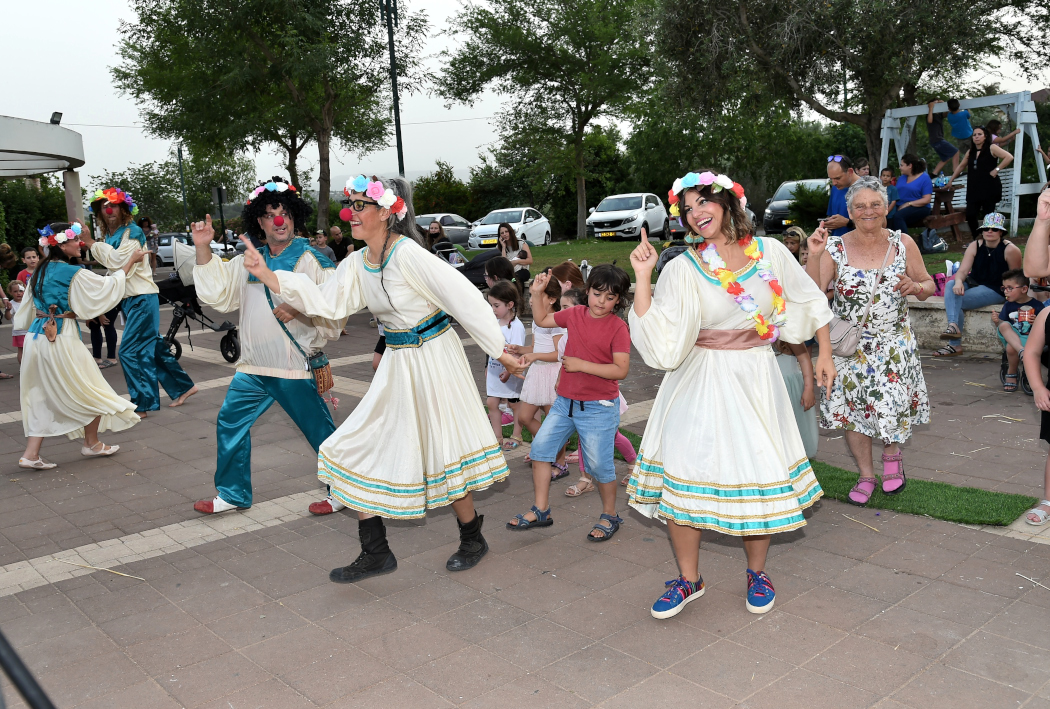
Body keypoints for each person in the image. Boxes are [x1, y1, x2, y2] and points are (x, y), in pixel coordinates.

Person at [242, 173, 526, 581]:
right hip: (398, 361)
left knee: (442, 451)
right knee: (348, 448)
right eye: (350, 205)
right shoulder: (358, 262)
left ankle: (472, 538)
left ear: (387, 213)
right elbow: (328, 301)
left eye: (360, 206)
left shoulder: (408, 254)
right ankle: (376, 552)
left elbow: (462, 298)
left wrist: (499, 351)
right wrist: (269, 276)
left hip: (434, 359)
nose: (350, 214)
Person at [627, 170, 834, 619]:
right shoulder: (683, 267)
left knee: (755, 474)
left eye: (703, 202)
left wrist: (825, 356)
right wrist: (643, 275)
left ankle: (756, 572)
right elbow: (658, 337)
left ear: (727, 203)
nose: (696, 213)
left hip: (756, 378)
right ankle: (689, 578)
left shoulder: (772, 253)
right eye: (687, 209)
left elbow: (806, 298)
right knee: (684, 470)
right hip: (698, 380)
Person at [190, 177, 341, 516]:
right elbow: (218, 294)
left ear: (294, 217)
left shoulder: (313, 259)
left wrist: (301, 307)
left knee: (320, 433)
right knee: (229, 423)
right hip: (253, 367)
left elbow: (336, 306)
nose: (279, 220)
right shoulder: (249, 259)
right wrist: (203, 247)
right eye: (271, 213)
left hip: (293, 366)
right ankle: (233, 493)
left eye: (285, 212)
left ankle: (344, 490)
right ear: (259, 220)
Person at [807, 176, 934, 505]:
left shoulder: (902, 243)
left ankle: (892, 456)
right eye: (860, 206)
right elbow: (812, 294)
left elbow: (928, 285)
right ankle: (866, 474)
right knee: (853, 412)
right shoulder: (835, 247)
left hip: (893, 344)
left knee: (888, 404)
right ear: (849, 211)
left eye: (875, 204)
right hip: (848, 347)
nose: (868, 211)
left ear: (886, 207)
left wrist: (916, 287)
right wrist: (813, 255)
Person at [508, 264, 632, 544]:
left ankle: (610, 515)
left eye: (610, 297)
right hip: (565, 402)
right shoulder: (575, 313)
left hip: (599, 406)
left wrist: (581, 365)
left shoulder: (618, 327)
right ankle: (541, 510)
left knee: (600, 466)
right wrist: (537, 292)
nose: (602, 301)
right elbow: (541, 319)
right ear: (587, 291)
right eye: (597, 294)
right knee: (540, 451)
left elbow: (620, 370)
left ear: (618, 300)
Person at [16, 222, 146, 469]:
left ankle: (32, 454)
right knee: (91, 387)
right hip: (61, 338)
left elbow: (27, 311)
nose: (81, 243)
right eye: (76, 240)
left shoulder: (39, 271)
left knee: (41, 394)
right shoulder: (70, 272)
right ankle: (91, 443)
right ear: (62, 244)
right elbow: (107, 287)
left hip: (37, 338)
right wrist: (130, 262)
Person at [84, 187, 197, 416]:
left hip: (142, 299)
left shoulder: (133, 232)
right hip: (131, 300)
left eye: (113, 204)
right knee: (153, 348)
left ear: (123, 208)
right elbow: (113, 270)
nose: (109, 209)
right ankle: (184, 387)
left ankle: (142, 403)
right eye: (105, 206)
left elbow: (117, 261)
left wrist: (90, 243)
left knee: (129, 351)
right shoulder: (110, 235)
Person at [934, 212, 1021, 357]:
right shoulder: (975, 245)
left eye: (994, 229)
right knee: (950, 286)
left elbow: (1016, 277)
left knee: (957, 301)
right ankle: (953, 326)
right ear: (982, 231)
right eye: (986, 229)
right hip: (974, 282)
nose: (989, 232)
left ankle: (954, 344)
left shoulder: (1010, 250)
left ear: (1001, 231)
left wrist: (1012, 296)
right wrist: (958, 282)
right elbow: (962, 271)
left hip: (996, 289)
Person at [509, 276, 568, 479]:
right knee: (525, 417)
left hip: (552, 373)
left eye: (537, 295)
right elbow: (534, 347)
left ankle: (559, 462)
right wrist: (521, 350)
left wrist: (534, 356)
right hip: (537, 373)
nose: (531, 300)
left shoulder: (556, 322)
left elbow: (558, 354)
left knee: (553, 421)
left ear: (551, 299)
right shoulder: (536, 322)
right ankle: (548, 446)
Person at [948, 126, 1014, 239]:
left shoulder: (992, 147)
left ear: (985, 136)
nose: (977, 137)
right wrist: (951, 180)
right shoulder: (971, 151)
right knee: (970, 214)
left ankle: (990, 239)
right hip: (974, 188)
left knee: (988, 215)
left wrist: (997, 170)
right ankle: (976, 238)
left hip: (989, 187)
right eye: (974, 135)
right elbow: (961, 166)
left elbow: (1009, 157)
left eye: (979, 134)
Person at [485, 279, 526, 450]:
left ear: (509, 304)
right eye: (491, 306)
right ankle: (497, 436)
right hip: (495, 372)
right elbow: (490, 347)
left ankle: (517, 434)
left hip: (510, 373)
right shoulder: (493, 323)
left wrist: (509, 371)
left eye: (496, 305)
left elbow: (516, 353)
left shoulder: (516, 327)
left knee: (515, 404)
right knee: (492, 403)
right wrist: (488, 365)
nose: (493, 310)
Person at [995, 268, 1043, 392]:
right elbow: (1003, 326)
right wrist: (997, 321)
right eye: (1004, 288)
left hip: (1030, 338)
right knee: (1004, 325)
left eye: (1010, 288)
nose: (1006, 291)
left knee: (1011, 348)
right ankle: (1020, 355)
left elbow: (1044, 326)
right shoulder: (1008, 306)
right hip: (1014, 337)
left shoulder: (1037, 305)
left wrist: (1037, 321)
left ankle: (1015, 372)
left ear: (1024, 289)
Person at [775, 341, 818, 459]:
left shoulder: (787, 332)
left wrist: (809, 389)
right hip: (765, 386)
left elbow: (804, 359)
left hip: (788, 385)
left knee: (791, 421)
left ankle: (793, 453)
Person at [891, 154, 933, 231]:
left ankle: (904, 241)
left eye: (902, 165)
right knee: (887, 215)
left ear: (910, 166)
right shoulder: (901, 178)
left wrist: (908, 204)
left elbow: (927, 199)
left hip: (919, 207)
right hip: (899, 206)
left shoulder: (925, 178)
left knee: (898, 216)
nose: (900, 167)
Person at [825, 155, 859, 236]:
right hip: (838, 245)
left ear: (850, 172)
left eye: (837, 178)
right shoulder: (836, 188)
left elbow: (881, 224)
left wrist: (848, 223)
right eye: (831, 179)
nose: (834, 183)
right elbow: (831, 215)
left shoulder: (867, 189)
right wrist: (829, 223)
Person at [927, 100, 960, 176]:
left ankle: (934, 173)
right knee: (956, 152)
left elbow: (946, 114)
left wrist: (944, 105)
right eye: (936, 102)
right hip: (937, 140)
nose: (937, 103)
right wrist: (931, 108)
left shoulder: (938, 115)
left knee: (946, 158)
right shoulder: (930, 114)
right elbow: (929, 120)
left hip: (935, 141)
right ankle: (956, 171)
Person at [497, 223, 533, 291]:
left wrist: (516, 262)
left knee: (516, 279)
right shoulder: (500, 247)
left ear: (510, 232)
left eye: (506, 232)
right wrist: (503, 248)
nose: (504, 234)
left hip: (522, 271)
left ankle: (518, 298)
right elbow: (503, 263)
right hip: (508, 272)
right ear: (500, 236)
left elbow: (530, 261)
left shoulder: (521, 243)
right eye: (502, 233)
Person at [86, 303, 120, 369]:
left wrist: (100, 314)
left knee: (107, 323)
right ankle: (96, 357)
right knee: (93, 324)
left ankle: (111, 358)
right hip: (96, 302)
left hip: (109, 300)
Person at [6, 281, 27, 365]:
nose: (18, 293)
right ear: (10, 292)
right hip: (19, 331)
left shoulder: (27, 302)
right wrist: (8, 309)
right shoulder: (11, 304)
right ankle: (22, 368)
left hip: (30, 329)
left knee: (31, 350)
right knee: (21, 350)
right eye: (15, 291)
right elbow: (8, 317)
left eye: (21, 291)